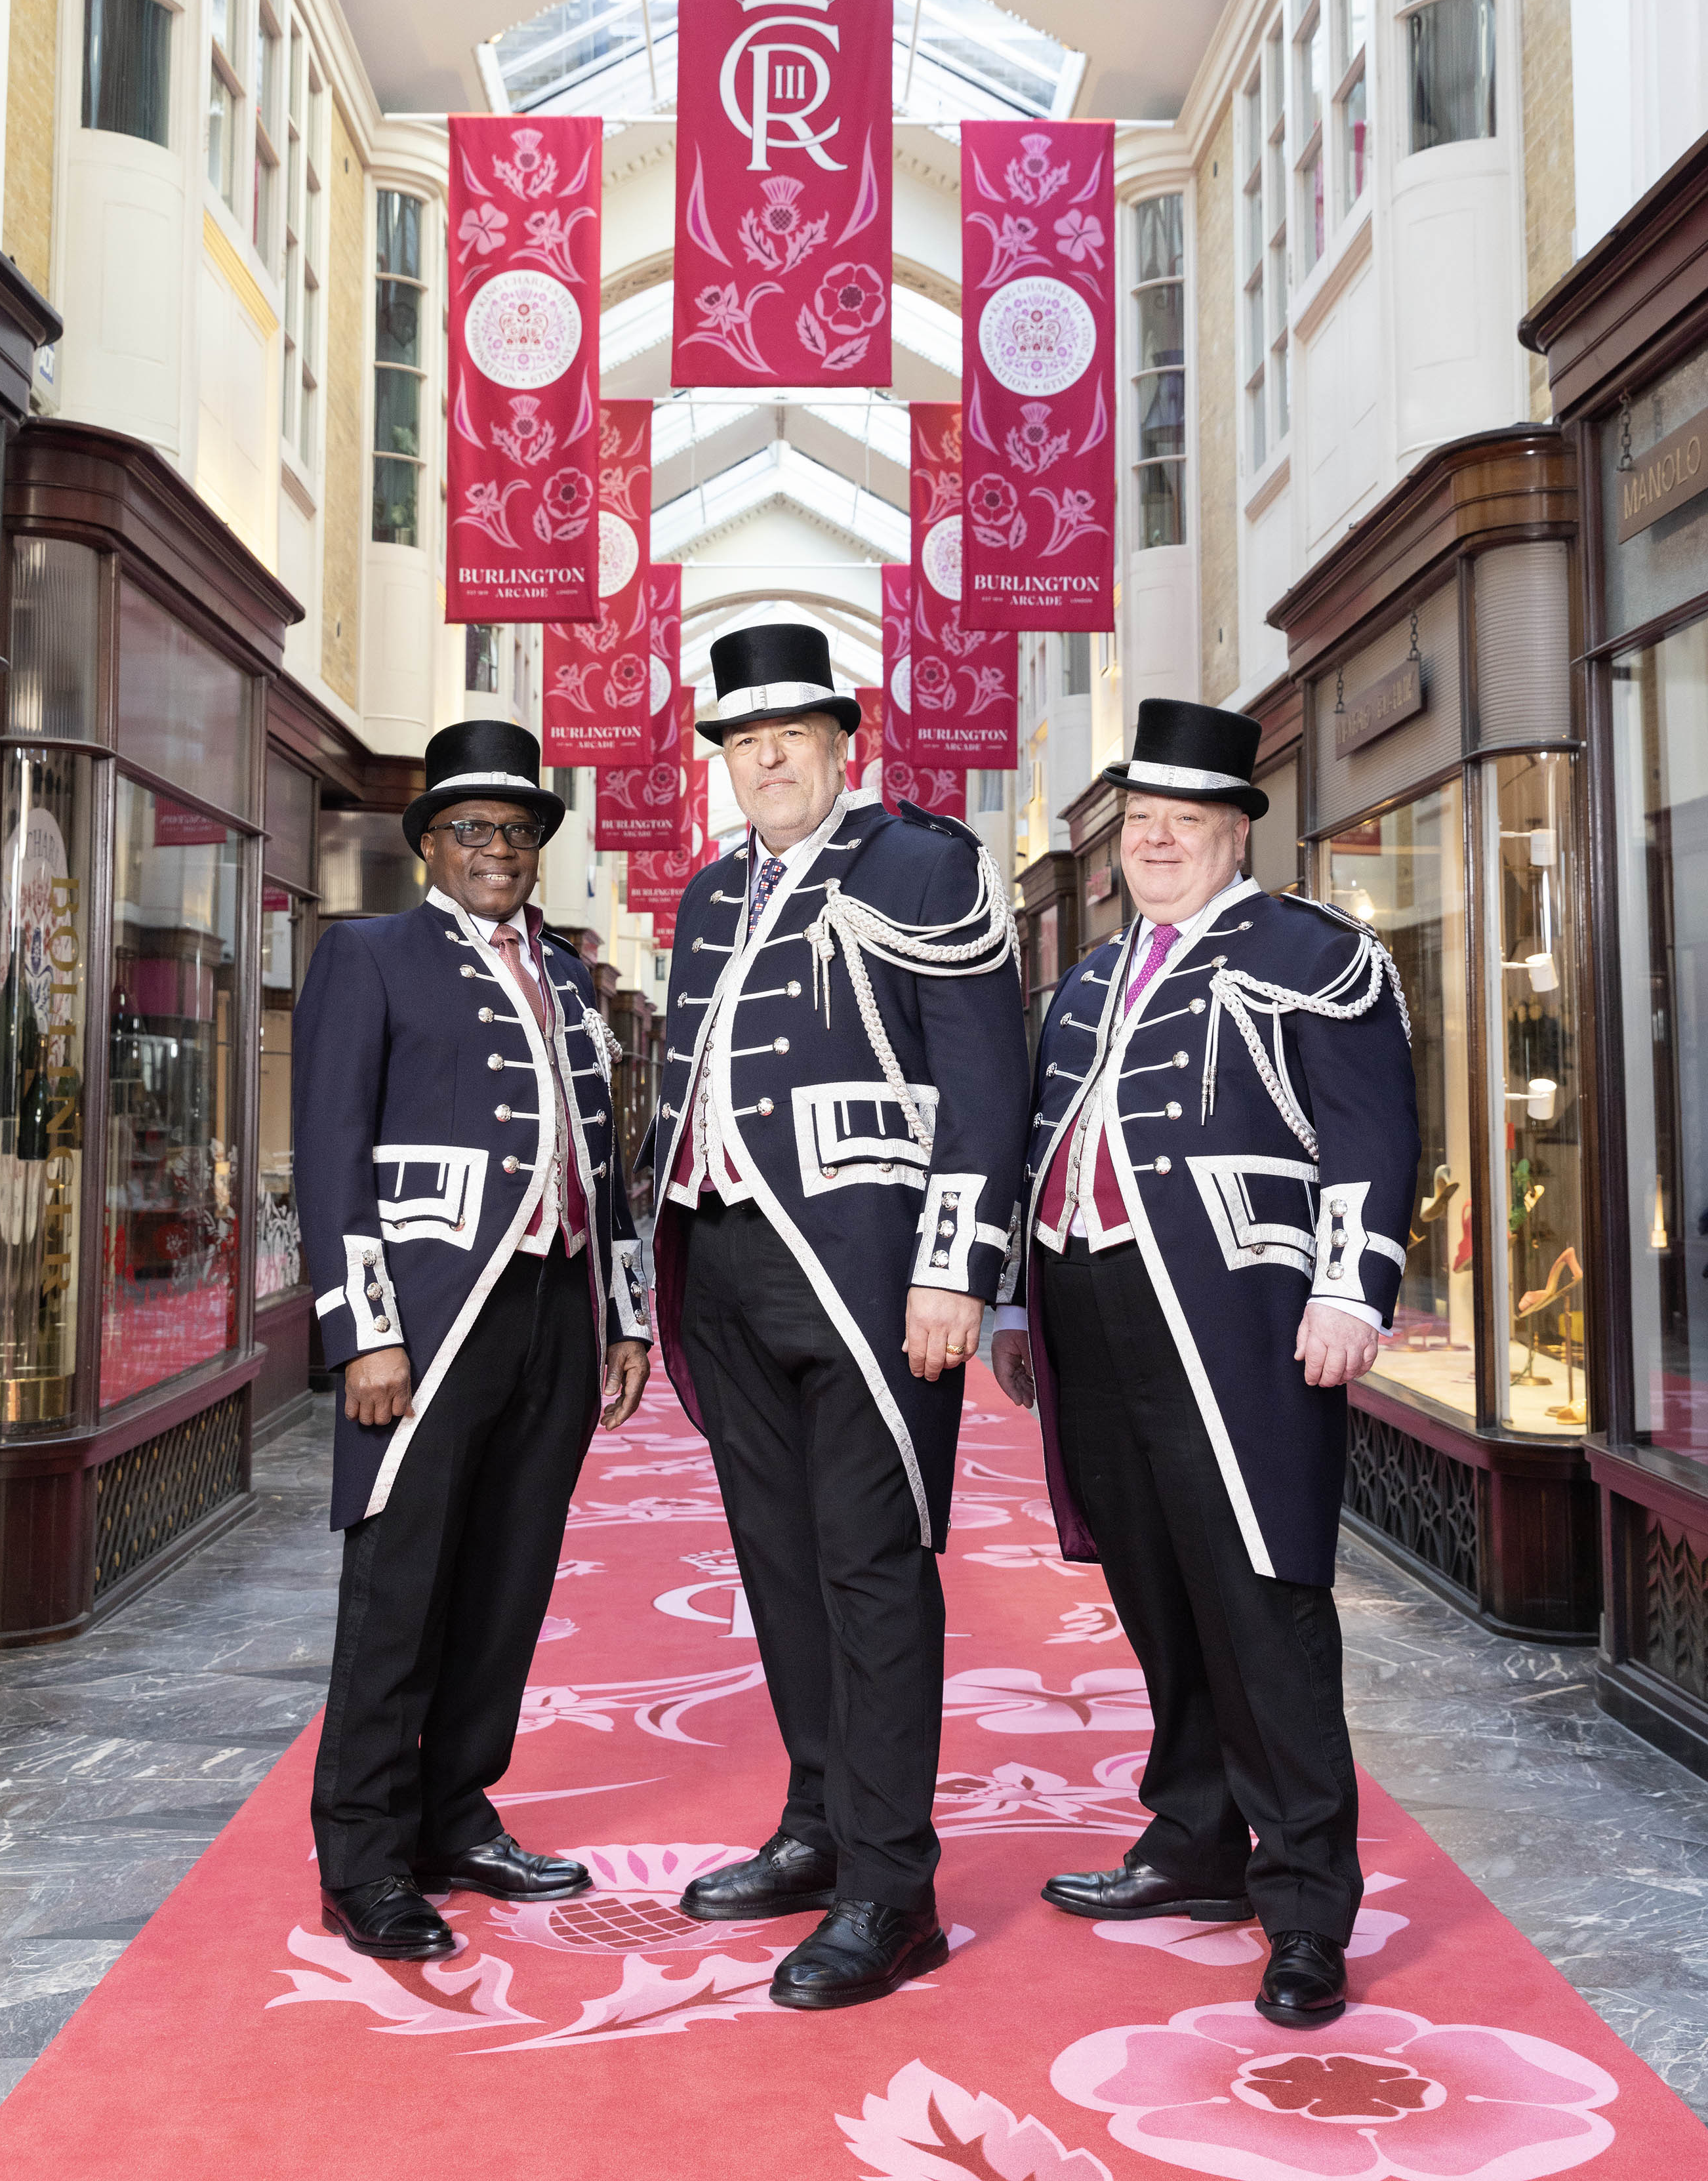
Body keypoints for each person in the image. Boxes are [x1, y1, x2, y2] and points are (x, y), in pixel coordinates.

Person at [994, 698, 1419, 2030]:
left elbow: (1370, 1130)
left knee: (1264, 1596)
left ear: (1237, 830)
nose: (1157, 839)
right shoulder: (1082, 979)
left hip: (1237, 1311)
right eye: (1140, 820)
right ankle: (1191, 1840)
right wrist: (1014, 1298)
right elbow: (1041, 1143)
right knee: (1157, 1584)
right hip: (1091, 1304)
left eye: (1186, 819)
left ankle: (1303, 1903)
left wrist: (1353, 1286)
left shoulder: (1311, 952)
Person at [647, 622, 1030, 2010]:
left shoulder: (921, 864)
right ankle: (817, 1819)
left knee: (872, 1568)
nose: (764, 755)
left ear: (840, 741)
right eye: (742, 739)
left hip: (872, 1271)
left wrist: (955, 1265)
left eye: (790, 732)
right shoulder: (704, 893)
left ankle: (890, 1886)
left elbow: (987, 1078)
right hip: (728, 1263)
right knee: (780, 1558)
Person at [296, 718, 651, 1961]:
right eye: (472, 831)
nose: (497, 850)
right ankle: (363, 1851)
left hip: (556, 1309)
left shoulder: (566, 975)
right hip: (431, 1318)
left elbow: (605, 1161)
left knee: (507, 1574)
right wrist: (364, 1334)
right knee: (401, 1581)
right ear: (430, 847)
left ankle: (456, 1814)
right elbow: (331, 1156)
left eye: (517, 831)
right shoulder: (371, 957)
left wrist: (623, 1314)